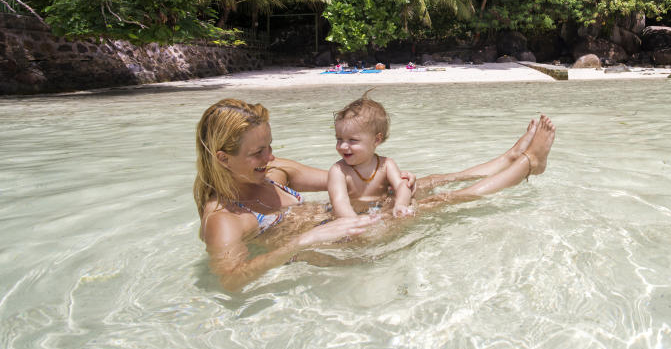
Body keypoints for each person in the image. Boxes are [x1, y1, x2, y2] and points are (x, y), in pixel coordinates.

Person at [194, 98, 555, 291]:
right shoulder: (223, 220)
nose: (270, 157)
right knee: (439, 205)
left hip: (343, 220)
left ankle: (503, 160)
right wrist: (307, 239)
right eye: (257, 152)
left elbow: (355, 184)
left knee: (413, 184)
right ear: (223, 159)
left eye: (269, 145)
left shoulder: (273, 172)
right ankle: (526, 165)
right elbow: (230, 280)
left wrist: (394, 184)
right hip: (342, 245)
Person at [327, 93, 414, 218]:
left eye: (352, 140)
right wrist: (354, 222)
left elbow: (402, 186)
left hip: (379, 209)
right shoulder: (338, 171)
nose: (343, 146)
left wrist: (401, 204)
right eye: (339, 139)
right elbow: (339, 202)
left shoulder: (386, 165)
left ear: (376, 140)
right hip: (350, 214)